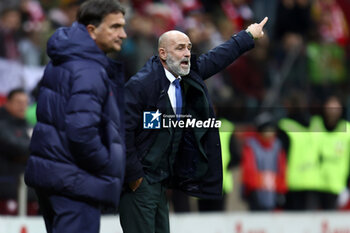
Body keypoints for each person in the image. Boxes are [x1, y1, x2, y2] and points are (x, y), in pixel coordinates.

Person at [120, 17, 268, 233]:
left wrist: (247, 35)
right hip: (141, 183)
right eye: (180, 48)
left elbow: (217, 58)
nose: (187, 53)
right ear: (163, 54)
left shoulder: (185, 75)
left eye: (188, 48)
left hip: (160, 182)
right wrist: (134, 177)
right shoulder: (141, 85)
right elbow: (122, 132)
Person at [24, 0, 127, 232]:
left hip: (55, 175)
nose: (123, 34)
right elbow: (82, 131)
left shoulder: (65, 58)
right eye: (115, 27)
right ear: (92, 30)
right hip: (76, 180)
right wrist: (107, 164)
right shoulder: (88, 68)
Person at [241, 112, 287, 211]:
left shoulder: (277, 146)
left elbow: (281, 169)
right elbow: (248, 169)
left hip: (273, 194)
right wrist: (250, 190)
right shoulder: (251, 145)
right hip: (256, 194)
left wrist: (281, 190)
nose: (270, 133)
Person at [0, 88, 35, 215]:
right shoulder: (2, 125)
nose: (22, 106)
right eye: (18, 102)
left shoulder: (29, 125)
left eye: (25, 102)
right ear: (8, 103)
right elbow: (15, 148)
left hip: (30, 193)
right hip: (7, 191)